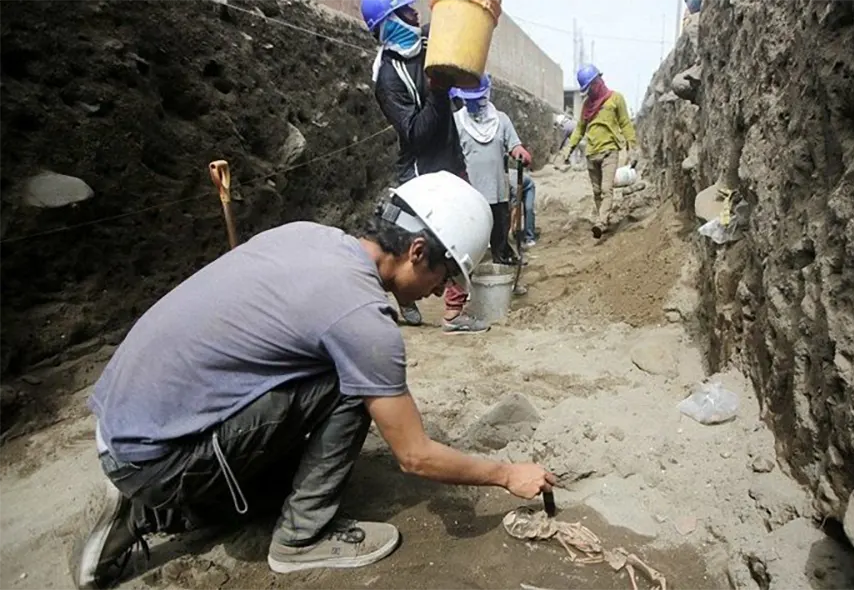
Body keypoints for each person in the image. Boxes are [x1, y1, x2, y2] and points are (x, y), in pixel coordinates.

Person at [72, 172, 556, 590]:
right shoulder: (363, 319)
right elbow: (415, 456)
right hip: (157, 457)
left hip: (122, 426)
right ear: (416, 250)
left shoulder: (309, 236)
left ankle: (148, 508)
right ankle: (302, 539)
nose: (439, 292)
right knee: (352, 386)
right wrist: (506, 473)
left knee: (284, 467)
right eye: (445, 275)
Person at [363, 0, 487, 334]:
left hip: (450, 160)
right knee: (429, 243)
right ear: (388, 23)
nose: (416, 14)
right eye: (406, 11)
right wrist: (438, 90)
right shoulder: (389, 78)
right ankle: (412, 300)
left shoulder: (430, 46)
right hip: (422, 174)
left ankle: (445, 307)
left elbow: (459, 31)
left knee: (463, 231)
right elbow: (415, 133)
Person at [450, 74, 533, 264]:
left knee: (500, 236)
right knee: (471, 238)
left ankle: (501, 269)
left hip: (498, 192)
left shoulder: (501, 120)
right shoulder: (456, 121)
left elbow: (514, 145)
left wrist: (520, 152)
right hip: (471, 194)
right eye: (469, 99)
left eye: (477, 99)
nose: (473, 104)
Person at [561, 64, 638, 239]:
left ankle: (601, 222)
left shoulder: (615, 99)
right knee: (597, 192)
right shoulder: (587, 105)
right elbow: (580, 129)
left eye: (590, 87)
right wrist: (568, 149)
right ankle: (604, 220)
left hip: (609, 151)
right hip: (591, 153)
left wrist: (631, 145)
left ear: (598, 81)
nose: (589, 92)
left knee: (606, 189)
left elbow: (625, 123)